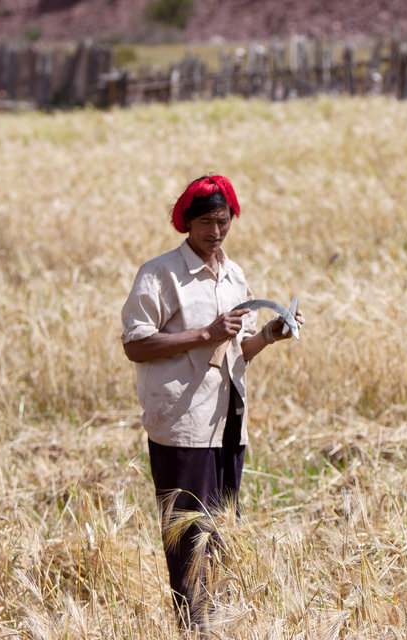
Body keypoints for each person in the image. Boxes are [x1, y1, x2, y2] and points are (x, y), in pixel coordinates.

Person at [120, 174, 304, 633]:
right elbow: (135, 345)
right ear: (186, 222)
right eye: (205, 222)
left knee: (222, 534)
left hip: (227, 422)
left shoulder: (234, 275)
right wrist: (204, 333)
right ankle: (192, 628)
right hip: (182, 423)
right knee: (186, 539)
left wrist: (268, 335)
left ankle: (218, 625)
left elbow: (237, 350)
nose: (215, 232)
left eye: (223, 222)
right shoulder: (161, 274)